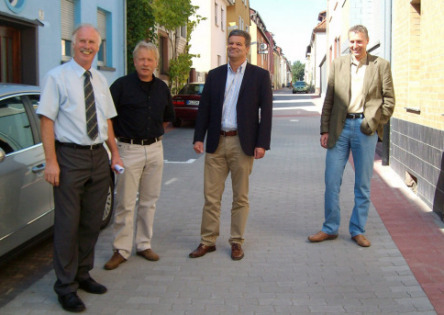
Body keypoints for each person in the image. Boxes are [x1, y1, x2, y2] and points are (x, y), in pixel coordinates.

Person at [37, 24, 122, 312]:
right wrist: (51, 161)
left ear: (98, 47)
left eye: (93, 42)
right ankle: (65, 287)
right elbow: (46, 121)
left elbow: (107, 120)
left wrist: (115, 154)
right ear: (73, 45)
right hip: (69, 158)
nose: (87, 46)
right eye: (83, 41)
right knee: (67, 225)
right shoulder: (56, 77)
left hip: (98, 157)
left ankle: (82, 273)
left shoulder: (99, 79)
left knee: (92, 221)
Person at [308, 25, 395, 247]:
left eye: (359, 41)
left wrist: (375, 122)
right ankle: (330, 228)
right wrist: (324, 129)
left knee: (363, 184)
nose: (355, 46)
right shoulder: (338, 65)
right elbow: (329, 100)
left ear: (366, 42)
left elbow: (389, 100)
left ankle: (357, 229)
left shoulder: (380, 65)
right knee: (331, 181)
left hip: (365, 129)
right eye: (352, 42)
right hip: (340, 128)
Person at [189, 29, 272, 261]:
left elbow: (266, 113)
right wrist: (198, 137)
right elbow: (204, 108)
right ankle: (207, 241)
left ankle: (236, 241)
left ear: (247, 48)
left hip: (242, 143)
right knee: (211, 196)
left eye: (238, 44)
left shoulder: (259, 76)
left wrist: (262, 143)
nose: (233, 47)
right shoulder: (214, 75)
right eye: (230, 43)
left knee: (240, 197)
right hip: (216, 142)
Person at [103, 41, 175, 270]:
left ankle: (143, 244)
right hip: (128, 150)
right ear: (134, 61)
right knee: (125, 203)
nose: (145, 63)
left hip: (155, 149)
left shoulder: (162, 88)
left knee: (149, 201)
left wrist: (151, 139)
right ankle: (121, 250)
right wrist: (115, 150)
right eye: (141, 59)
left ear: (155, 63)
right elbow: (107, 121)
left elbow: (166, 118)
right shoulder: (121, 86)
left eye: (150, 59)